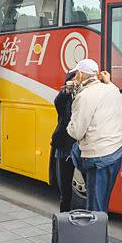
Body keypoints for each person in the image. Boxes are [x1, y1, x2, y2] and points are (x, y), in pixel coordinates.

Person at [66, 59, 122, 243]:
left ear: (82, 75)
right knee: (102, 204)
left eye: (76, 75)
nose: (74, 78)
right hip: (116, 153)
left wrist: (70, 122)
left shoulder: (84, 97)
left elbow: (76, 131)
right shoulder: (112, 90)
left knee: (96, 208)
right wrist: (109, 83)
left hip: (98, 158)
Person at [51, 71, 78, 212]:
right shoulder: (65, 98)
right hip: (65, 147)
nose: (76, 84)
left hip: (83, 148)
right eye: (73, 81)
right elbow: (58, 103)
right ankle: (65, 219)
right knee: (65, 190)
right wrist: (66, 91)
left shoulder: (87, 97)